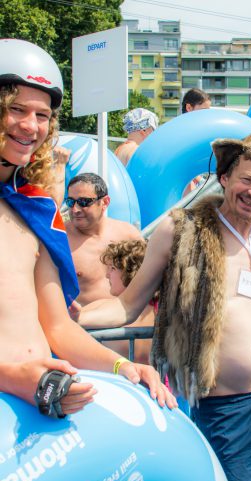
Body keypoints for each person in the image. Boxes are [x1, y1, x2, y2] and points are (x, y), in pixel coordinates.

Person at [78, 129, 251, 481]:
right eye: (247, 179)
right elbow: (128, 305)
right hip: (229, 411)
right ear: (224, 178)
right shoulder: (180, 230)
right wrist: (68, 320)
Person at [0, 38, 175, 416]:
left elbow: (58, 328)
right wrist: (14, 378)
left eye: (42, 115)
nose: (30, 126)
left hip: (40, 402)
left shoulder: (33, 209)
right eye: (16, 109)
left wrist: (124, 366)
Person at [65, 172, 142, 307]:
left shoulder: (128, 234)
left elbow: (148, 279)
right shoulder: (60, 239)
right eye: (71, 202)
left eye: (84, 202)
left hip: (127, 317)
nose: (75, 209)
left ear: (105, 202)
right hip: (83, 319)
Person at [101, 239, 154, 364]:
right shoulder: (162, 310)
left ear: (130, 271)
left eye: (112, 268)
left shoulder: (111, 314)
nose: (107, 275)